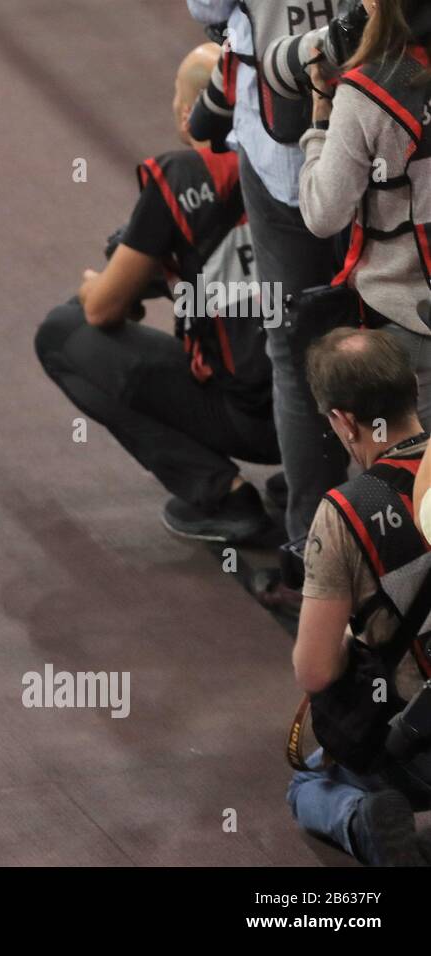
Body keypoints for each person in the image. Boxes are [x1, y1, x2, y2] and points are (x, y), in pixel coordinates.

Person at [35, 43, 280, 543]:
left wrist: (93, 288)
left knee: (64, 333)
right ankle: (312, 482)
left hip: (250, 418)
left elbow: (104, 309)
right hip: (330, 418)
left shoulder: (181, 176)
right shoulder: (295, 166)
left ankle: (222, 495)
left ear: (190, 112)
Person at [188, 2, 349, 582]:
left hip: (284, 143)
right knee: (401, 344)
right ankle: (398, 551)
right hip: (391, 140)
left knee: (299, 350)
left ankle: (319, 558)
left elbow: (207, 7)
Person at [287, 327, 431, 865]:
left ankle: (362, 819)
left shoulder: (346, 511)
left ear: (344, 421)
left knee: (308, 785)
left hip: (416, 741)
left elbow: (315, 672)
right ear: (412, 389)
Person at [299, 0, 431, 425]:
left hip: (403, 331)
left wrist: (320, 116)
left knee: (405, 485)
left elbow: (324, 214)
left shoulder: (368, 90)